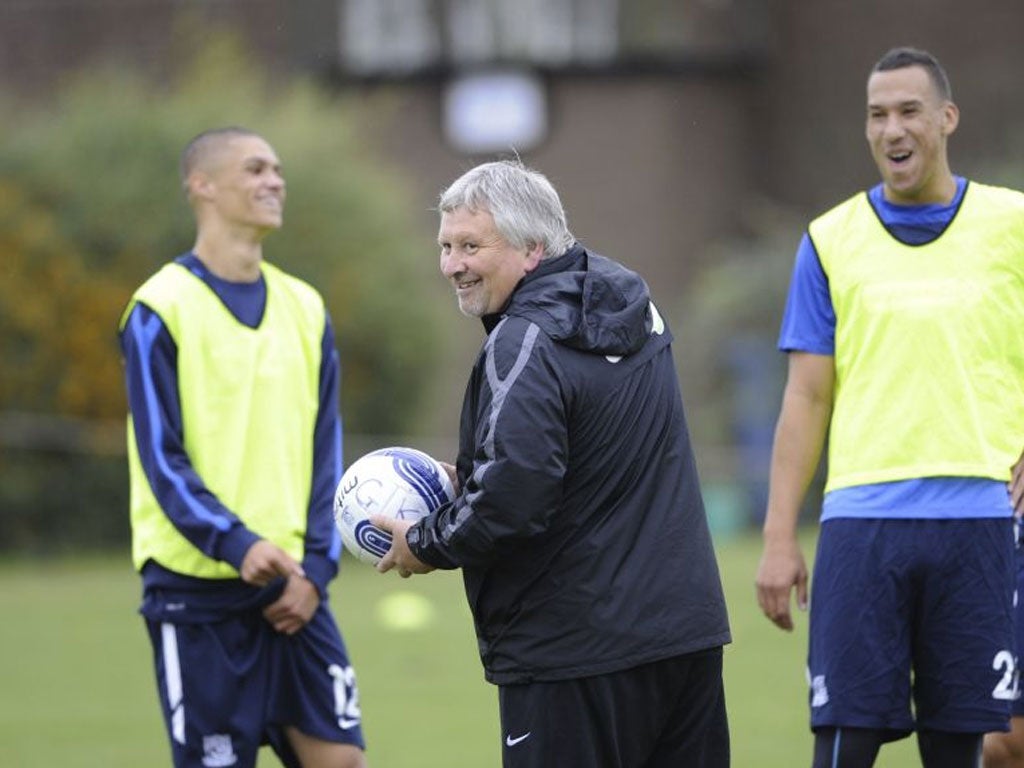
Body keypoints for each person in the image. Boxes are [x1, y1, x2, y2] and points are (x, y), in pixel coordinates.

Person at [371, 159, 732, 767]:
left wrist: (426, 542)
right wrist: (478, 473)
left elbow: (514, 500)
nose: (452, 265)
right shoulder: (638, 309)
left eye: (471, 246)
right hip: (684, 635)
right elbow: (587, 454)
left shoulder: (522, 338)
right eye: (446, 246)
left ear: (533, 248)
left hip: (573, 653)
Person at [754, 46, 1024, 768]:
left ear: (947, 118)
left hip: (982, 524)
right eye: (877, 115)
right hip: (862, 525)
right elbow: (807, 395)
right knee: (843, 743)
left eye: (908, 111)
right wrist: (780, 536)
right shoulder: (828, 240)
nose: (891, 129)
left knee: (968, 748)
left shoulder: (1012, 225)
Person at [119, 127, 368, 768]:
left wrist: (318, 565)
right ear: (201, 185)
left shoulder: (305, 307)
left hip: (295, 589)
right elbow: (160, 459)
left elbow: (325, 451)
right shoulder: (159, 308)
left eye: (278, 169)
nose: (274, 181)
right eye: (255, 169)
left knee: (342, 760)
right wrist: (236, 542)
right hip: (197, 592)